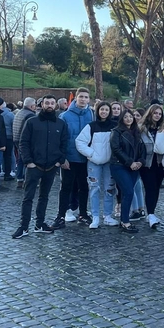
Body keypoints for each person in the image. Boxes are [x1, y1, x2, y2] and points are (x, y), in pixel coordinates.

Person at [13, 95, 69, 238]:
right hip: (34, 165)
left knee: (44, 196)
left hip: (51, 166)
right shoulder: (31, 121)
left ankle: (40, 223)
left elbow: (64, 143)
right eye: (47, 103)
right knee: (28, 197)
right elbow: (23, 142)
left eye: (52, 103)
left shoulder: (60, 123)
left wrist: (59, 161)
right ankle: (24, 226)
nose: (49, 105)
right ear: (41, 105)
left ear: (55, 105)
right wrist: (28, 161)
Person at [53, 88, 93, 228]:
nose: (83, 99)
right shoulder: (65, 116)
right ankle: (61, 215)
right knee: (66, 187)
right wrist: (62, 158)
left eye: (86, 97)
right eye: (81, 97)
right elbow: (60, 139)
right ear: (76, 98)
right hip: (69, 158)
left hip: (86, 158)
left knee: (84, 187)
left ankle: (82, 213)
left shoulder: (91, 114)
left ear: (88, 99)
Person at [75, 101, 116, 229]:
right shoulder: (91, 126)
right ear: (97, 111)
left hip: (110, 163)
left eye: (106, 110)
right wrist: (91, 154)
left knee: (109, 189)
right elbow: (80, 142)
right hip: (94, 162)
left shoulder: (114, 126)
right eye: (101, 109)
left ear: (109, 112)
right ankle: (95, 216)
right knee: (94, 188)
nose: (104, 112)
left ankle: (108, 216)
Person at [109, 110, 146, 233]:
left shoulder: (137, 132)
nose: (129, 119)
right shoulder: (116, 132)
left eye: (131, 117)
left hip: (135, 166)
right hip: (119, 165)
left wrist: (140, 161)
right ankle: (125, 221)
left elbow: (142, 149)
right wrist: (130, 162)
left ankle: (124, 220)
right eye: (126, 117)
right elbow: (116, 149)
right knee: (129, 191)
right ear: (122, 119)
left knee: (127, 193)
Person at [138, 104, 164, 229]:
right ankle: (150, 214)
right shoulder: (141, 128)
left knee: (156, 188)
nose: (157, 116)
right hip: (147, 164)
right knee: (150, 188)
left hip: (160, 163)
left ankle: (152, 213)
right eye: (155, 113)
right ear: (150, 113)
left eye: (159, 114)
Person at [12, 97, 37, 189]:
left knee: (20, 160)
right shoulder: (30, 115)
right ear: (31, 106)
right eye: (35, 105)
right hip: (24, 141)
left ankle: (19, 179)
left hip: (16, 139)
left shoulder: (19, 112)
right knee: (26, 160)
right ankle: (26, 179)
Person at [1, 103, 15, 181]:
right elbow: (13, 125)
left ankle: (2, 171)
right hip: (9, 136)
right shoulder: (10, 115)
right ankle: (8, 172)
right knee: (8, 156)